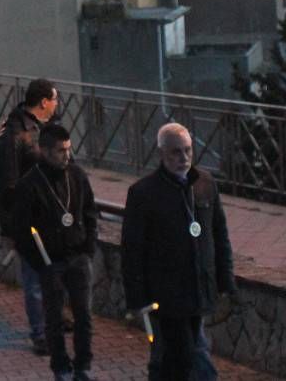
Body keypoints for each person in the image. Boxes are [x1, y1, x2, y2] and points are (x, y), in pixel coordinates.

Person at [121, 123, 237, 381]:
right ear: (162, 154)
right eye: (176, 152)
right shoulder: (144, 193)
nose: (183, 158)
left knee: (173, 359)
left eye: (187, 151)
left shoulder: (205, 184)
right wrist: (136, 299)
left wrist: (226, 281)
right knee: (189, 358)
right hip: (167, 294)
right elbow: (132, 251)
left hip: (199, 289)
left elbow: (219, 235)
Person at [14, 124, 98, 381]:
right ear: (45, 150)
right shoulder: (30, 183)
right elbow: (21, 230)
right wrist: (42, 264)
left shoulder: (77, 175)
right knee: (54, 319)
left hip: (78, 257)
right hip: (51, 262)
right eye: (61, 151)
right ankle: (61, 368)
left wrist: (88, 248)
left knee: (84, 316)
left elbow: (90, 213)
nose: (66, 156)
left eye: (68, 149)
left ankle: (83, 367)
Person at [0, 77, 59, 355]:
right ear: (44, 102)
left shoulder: (44, 130)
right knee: (33, 279)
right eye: (55, 100)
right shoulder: (15, 135)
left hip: (51, 218)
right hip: (29, 221)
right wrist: (10, 229)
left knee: (53, 275)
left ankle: (53, 321)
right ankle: (40, 333)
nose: (57, 106)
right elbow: (5, 186)